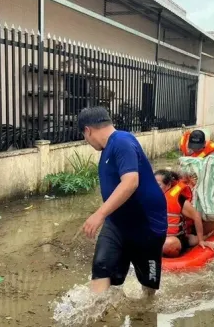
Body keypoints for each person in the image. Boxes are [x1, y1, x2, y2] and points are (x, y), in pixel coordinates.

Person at [79, 106, 167, 297]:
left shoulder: (121, 141)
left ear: (88, 130)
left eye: (84, 137)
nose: (87, 141)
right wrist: (105, 214)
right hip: (117, 223)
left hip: (146, 226)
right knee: (101, 267)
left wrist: (99, 214)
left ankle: (144, 317)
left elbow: (131, 182)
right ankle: (97, 315)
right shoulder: (108, 149)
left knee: (148, 288)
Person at [154, 170, 213, 257]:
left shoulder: (178, 199)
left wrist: (201, 240)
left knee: (167, 244)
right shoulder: (148, 197)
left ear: (168, 185)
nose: (154, 187)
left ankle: (205, 236)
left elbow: (196, 216)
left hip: (175, 239)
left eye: (158, 185)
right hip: (157, 238)